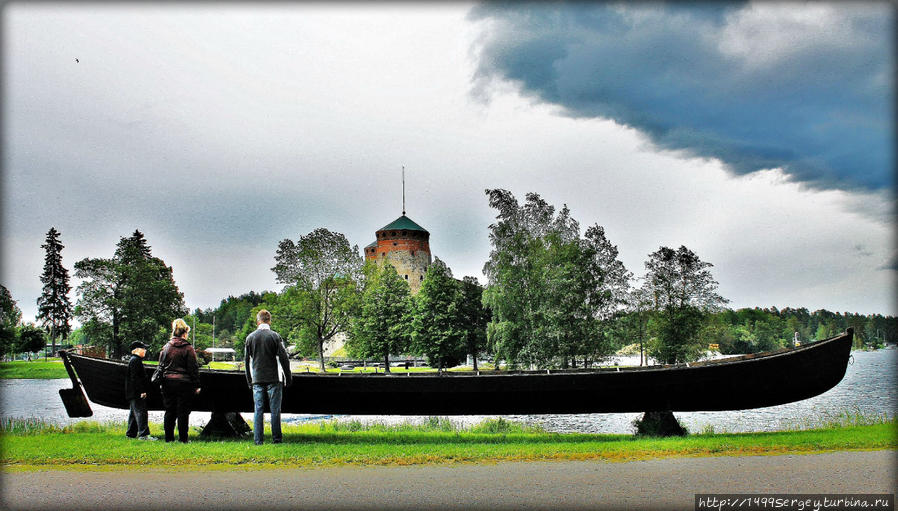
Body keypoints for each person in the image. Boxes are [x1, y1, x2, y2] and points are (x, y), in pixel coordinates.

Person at [244, 309, 292, 445]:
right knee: (275, 410)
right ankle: (276, 439)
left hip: (257, 378)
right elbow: (284, 359)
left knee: (258, 409)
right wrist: (288, 377)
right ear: (269, 321)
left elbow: (246, 362)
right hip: (274, 378)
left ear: (258, 321)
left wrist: (249, 380)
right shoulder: (275, 336)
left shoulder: (250, 338)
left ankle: (258, 440)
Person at [159, 318, 201, 443]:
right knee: (183, 412)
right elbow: (193, 368)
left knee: (169, 411)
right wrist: (196, 385)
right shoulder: (188, 348)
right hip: (184, 383)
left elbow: (161, 365)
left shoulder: (166, 347)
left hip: (167, 382)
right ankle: (183, 438)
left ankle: (169, 438)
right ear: (184, 333)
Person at [125, 341, 155, 440]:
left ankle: (131, 433)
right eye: (143, 349)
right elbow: (136, 378)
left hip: (132, 392)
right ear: (137, 350)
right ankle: (144, 434)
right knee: (141, 412)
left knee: (134, 413)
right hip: (136, 392)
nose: (145, 351)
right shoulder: (135, 361)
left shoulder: (134, 360)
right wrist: (142, 391)